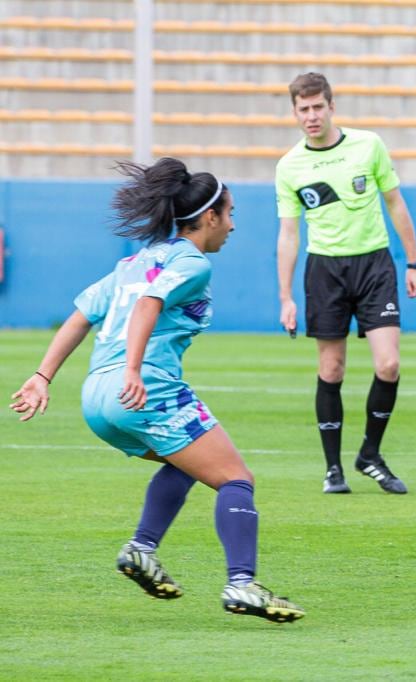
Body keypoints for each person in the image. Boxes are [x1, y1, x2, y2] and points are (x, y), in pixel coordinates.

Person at [9, 158, 305, 623]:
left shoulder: (135, 260)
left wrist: (43, 375)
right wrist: (133, 370)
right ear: (209, 217)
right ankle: (242, 584)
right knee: (235, 479)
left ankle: (142, 549)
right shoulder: (191, 262)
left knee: (184, 462)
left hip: (96, 399)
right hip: (143, 390)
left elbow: (82, 314)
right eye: (229, 214)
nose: (231, 225)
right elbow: (150, 303)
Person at [276, 72, 416, 496]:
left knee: (389, 365)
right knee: (332, 368)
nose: (311, 115)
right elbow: (289, 234)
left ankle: (370, 455)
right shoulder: (290, 166)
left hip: (374, 265)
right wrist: (286, 296)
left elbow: (395, 203)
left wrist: (414, 261)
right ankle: (333, 469)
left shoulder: (368, 145)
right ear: (295, 112)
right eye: (303, 109)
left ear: (331, 106)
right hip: (325, 270)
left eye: (317, 107)